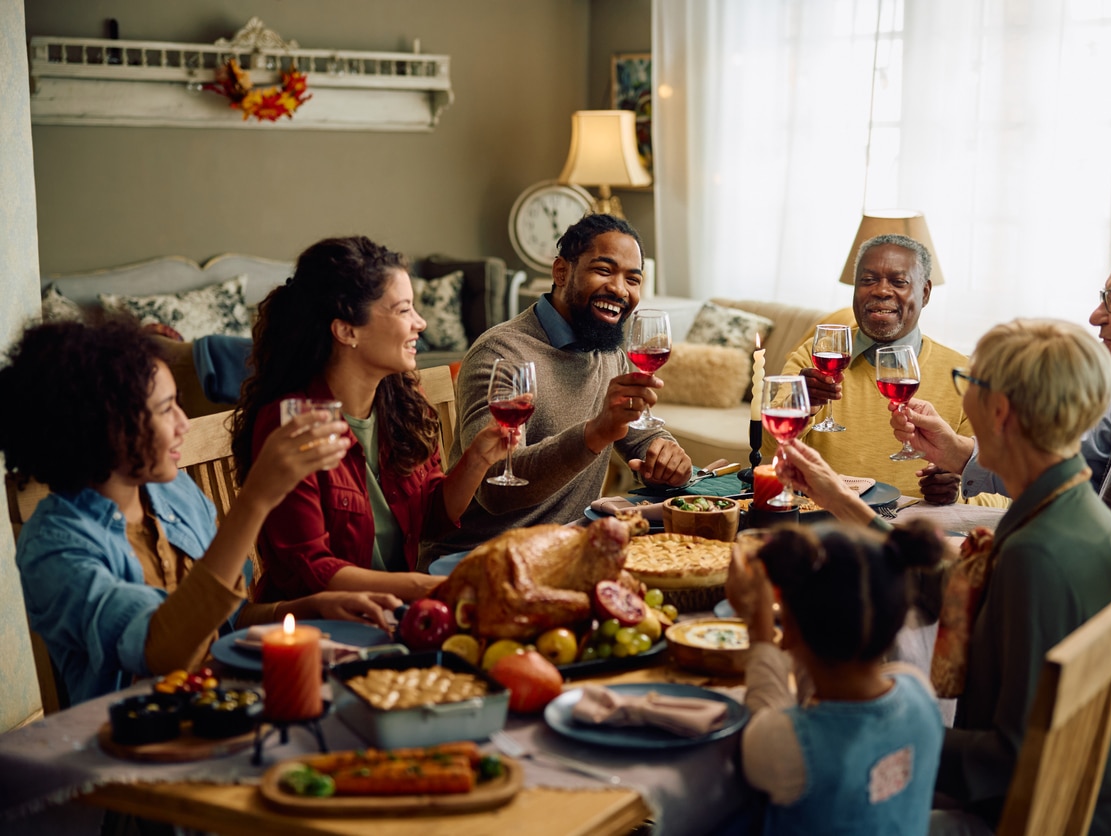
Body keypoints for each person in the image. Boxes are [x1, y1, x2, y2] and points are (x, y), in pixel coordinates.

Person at [894, 227, 1111, 758]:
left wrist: (984, 575)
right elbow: (1066, 467)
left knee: (936, 672)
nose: (1096, 316)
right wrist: (959, 455)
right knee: (928, 647)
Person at [777, 319, 1111, 833]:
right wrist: (837, 498)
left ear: (1000, 411)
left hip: (1021, 816)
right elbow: (954, 589)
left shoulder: (1039, 554)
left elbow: (1008, 758)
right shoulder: (1070, 505)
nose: (961, 398)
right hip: (1070, 797)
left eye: (969, 384)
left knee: (802, 789)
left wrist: (875, 723)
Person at [0, 316, 402, 706]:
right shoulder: (55, 546)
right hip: (135, 741)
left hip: (226, 706)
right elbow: (162, 653)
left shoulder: (173, 493)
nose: (184, 424)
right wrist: (255, 498)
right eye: (165, 408)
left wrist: (305, 609)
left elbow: (224, 623)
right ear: (104, 426)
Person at [231, 236, 514, 602]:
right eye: (403, 310)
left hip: (393, 613)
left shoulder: (403, 402)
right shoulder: (293, 423)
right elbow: (310, 569)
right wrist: (425, 588)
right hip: (320, 627)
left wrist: (478, 458)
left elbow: (430, 521)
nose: (421, 323)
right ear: (347, 330)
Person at [423, 214, 692, 564]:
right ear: (561, 272)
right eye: (604, 270)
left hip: (567, 549)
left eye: (633, 278)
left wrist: (669, 457)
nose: (620, 289)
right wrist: (594, 433)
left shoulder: (608, 350)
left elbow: (641, 436)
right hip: (482, 558)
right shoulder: (501, 354)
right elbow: (494, 489)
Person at [725, 521, 945, 834]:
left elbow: (767, 718)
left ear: (790, 630)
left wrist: (759, 628)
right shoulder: (919, 692)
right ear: (897, 622)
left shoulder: (786, 745)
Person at [766, 234, 976, 505]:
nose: (881, 291)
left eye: (899, 282)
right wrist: (802, 409)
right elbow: (766, 456)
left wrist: (960, 490)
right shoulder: (813, 356)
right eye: (868, 280)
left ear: (924, 293)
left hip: (917, 533)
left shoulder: (963, 375)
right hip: (824, 519)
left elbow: (998, 491)